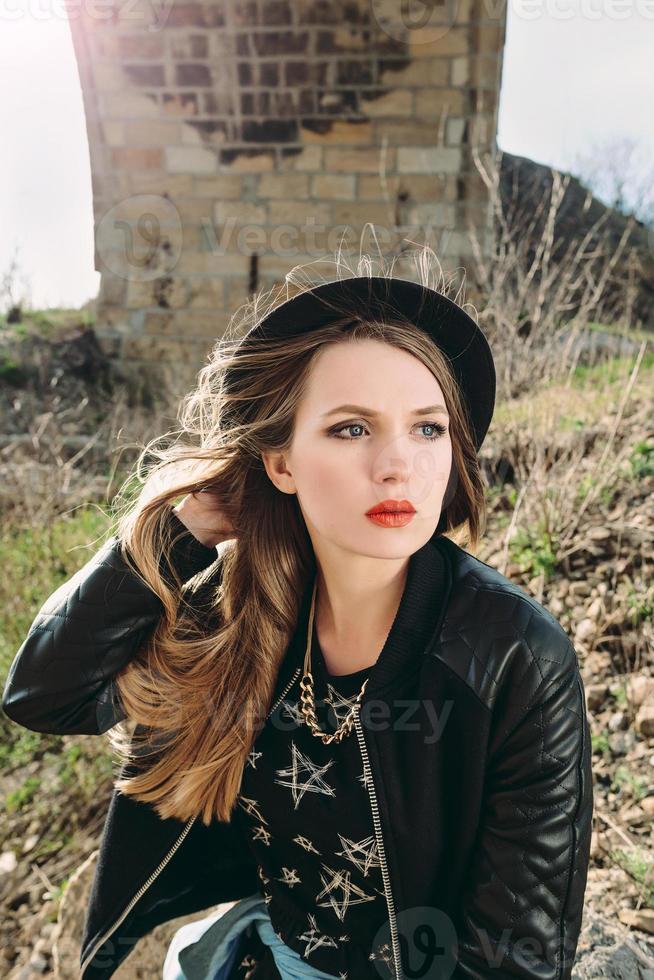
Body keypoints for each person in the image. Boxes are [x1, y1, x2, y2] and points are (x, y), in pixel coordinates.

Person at [2, 244, 593, 980]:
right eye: (351, 428)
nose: (397, 464)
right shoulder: (238, 615)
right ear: (281, 462)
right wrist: (173, 533)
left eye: (428, 428)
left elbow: (516, 962)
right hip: (262, 949)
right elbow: (45, 695)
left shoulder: (515, 657)